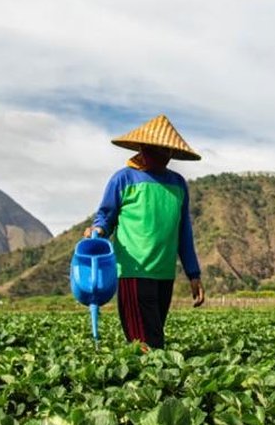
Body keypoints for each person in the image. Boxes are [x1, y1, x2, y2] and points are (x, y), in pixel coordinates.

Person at [85, 114, 205, 350]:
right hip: (134, 271)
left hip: (164, 274)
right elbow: (107, 216)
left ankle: (151, 381)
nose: (163, 157)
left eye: (166, 152)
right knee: (146, 342)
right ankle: (149, 383)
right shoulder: (124, 179)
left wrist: (193, 273)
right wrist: (98, 230)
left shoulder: (178, 184)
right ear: (143, 148)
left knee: (154, 334)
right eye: (157, 151)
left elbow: (183, 231)